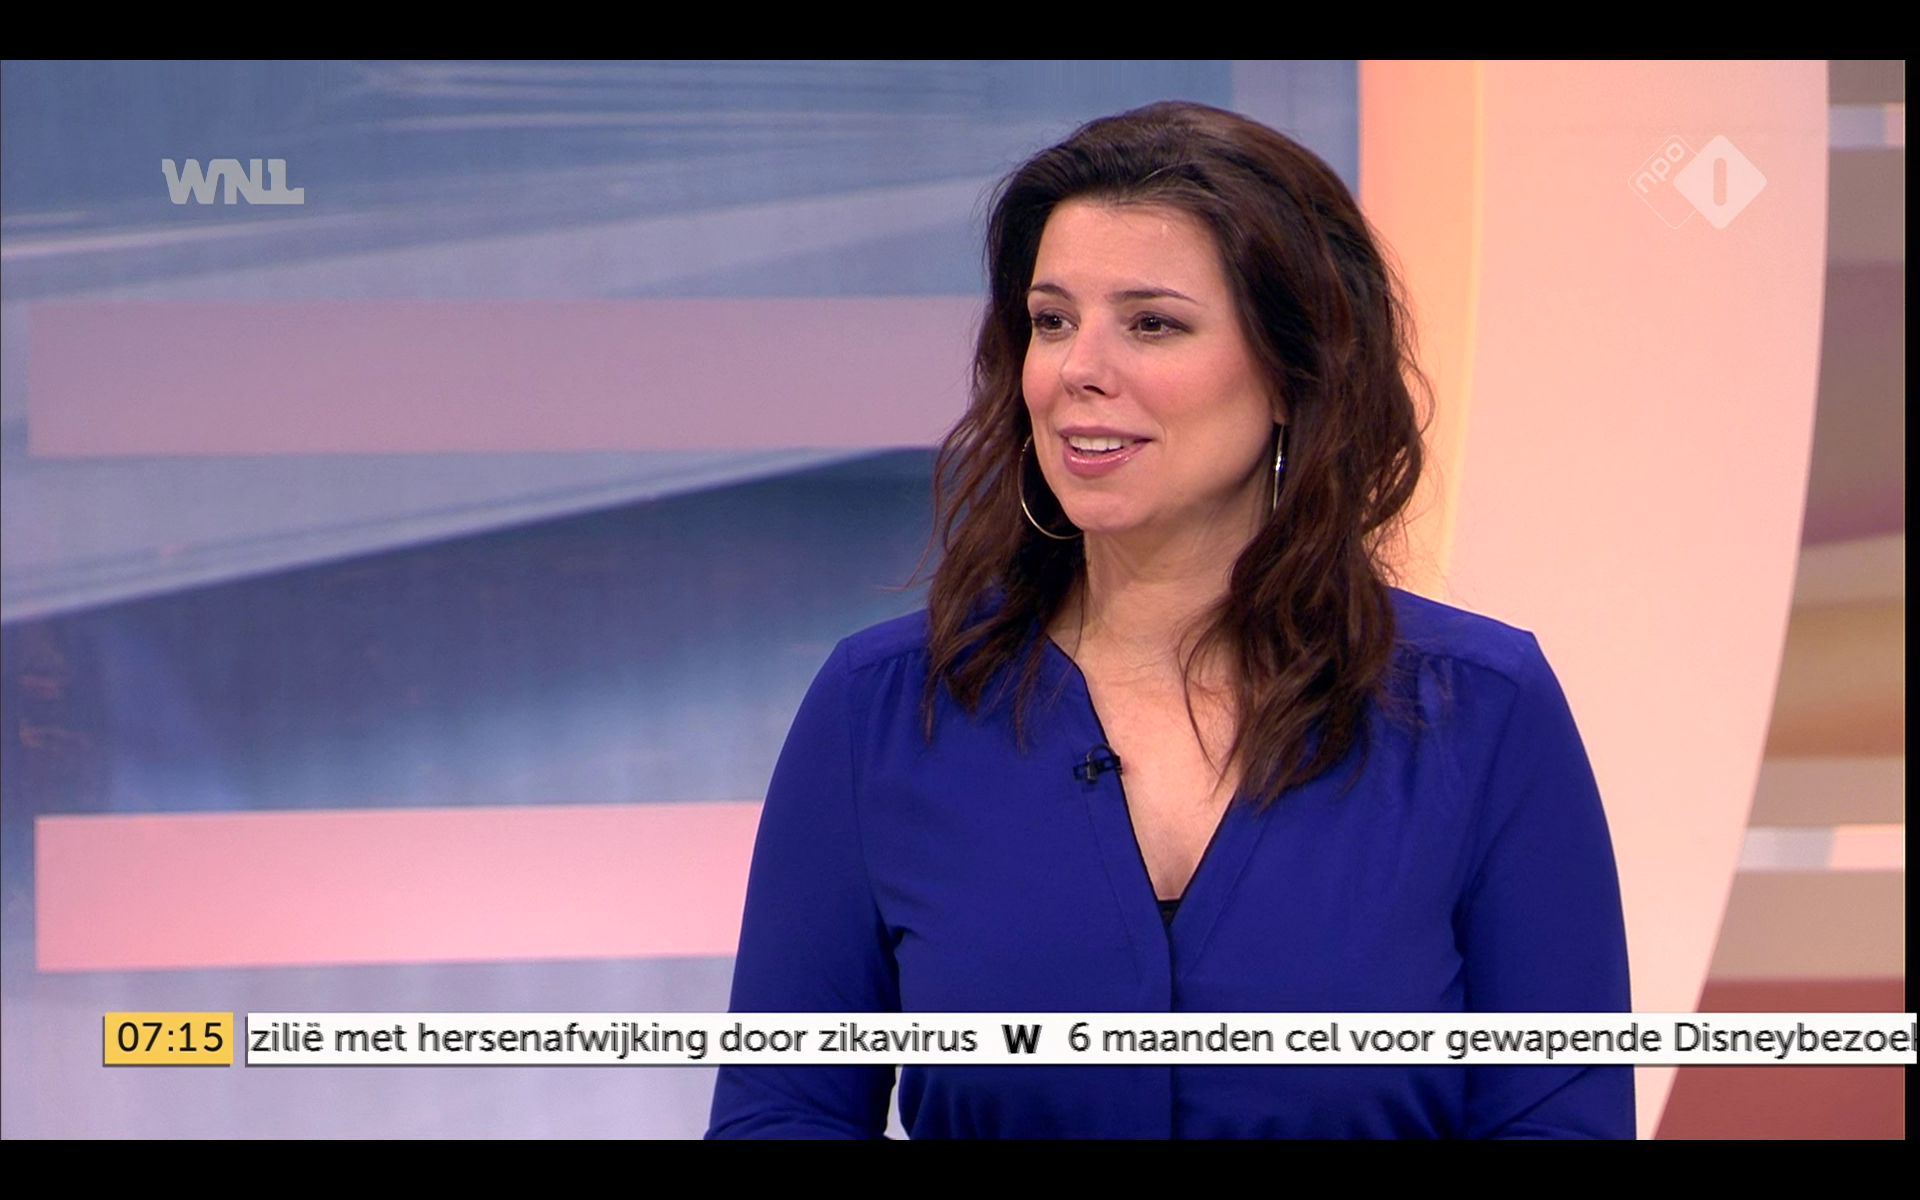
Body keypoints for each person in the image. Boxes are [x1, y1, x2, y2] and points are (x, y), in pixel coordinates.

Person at [706, 100, 1634, 1139]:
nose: (1079, 370)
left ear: (1292, 373)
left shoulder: (1481, 710)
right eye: (1052, 321)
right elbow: (781, 1113)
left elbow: (1559, 1120)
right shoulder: (881, 711)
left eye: (1152, 323)